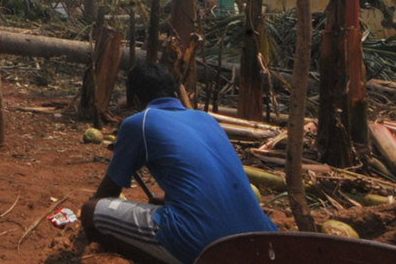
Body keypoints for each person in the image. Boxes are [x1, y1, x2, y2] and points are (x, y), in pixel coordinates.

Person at [81, 62, 277, 264]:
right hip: (262, 244)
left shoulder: (141, 121)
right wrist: (169, 202)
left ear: (137, 100)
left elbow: (107, 193)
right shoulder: (206, 120)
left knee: (90, 212)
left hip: (204, 245)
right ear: (173, 93)